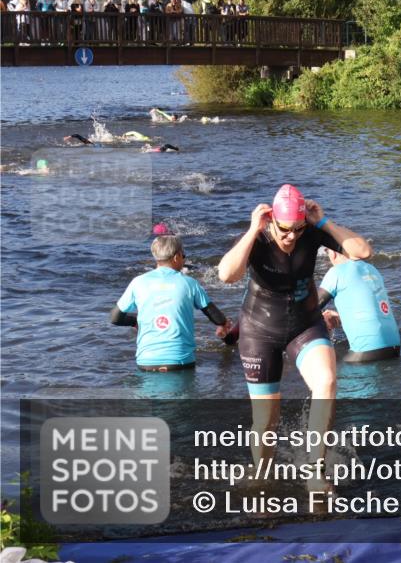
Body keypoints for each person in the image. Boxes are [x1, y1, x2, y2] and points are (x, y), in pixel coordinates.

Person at [217, 184, 371, 490]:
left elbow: (363, 252)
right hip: (260, 331)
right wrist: (251, 231)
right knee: (266, 420)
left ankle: (315, 471)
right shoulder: (258, 238)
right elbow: (226, 275)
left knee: (326, 382)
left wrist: (323, 221)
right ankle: (262, 476)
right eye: (285, 230)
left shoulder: (310, 232)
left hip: (305, 323)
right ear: (271, 220)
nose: (291, 237)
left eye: (297, 230)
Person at [110, 235, 233, 371]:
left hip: (146, 362)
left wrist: (135, 322)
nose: (184, 259)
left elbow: (115, 318)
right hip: (181, 361)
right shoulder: (189, 283)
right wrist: (223, 325)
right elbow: (215, 316)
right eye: (183, 255)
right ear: (176, 257)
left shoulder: (138, 282)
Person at [318, 249, 401, 363]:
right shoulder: (372, 269)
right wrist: (341, 318)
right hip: (395, 347)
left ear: (333, 253)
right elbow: (372, 312)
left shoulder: (336, 272)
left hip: (366, 352)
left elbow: (310, 309)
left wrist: (322, 319)